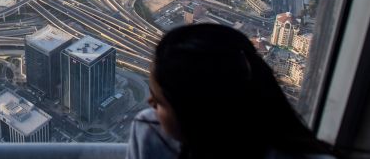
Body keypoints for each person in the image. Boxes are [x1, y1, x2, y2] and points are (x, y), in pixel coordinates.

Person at [127, 24, 335, 159]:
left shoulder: (154, 134)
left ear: (196, 115)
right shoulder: (150, 131)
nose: (149, 102)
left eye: (160, 101)